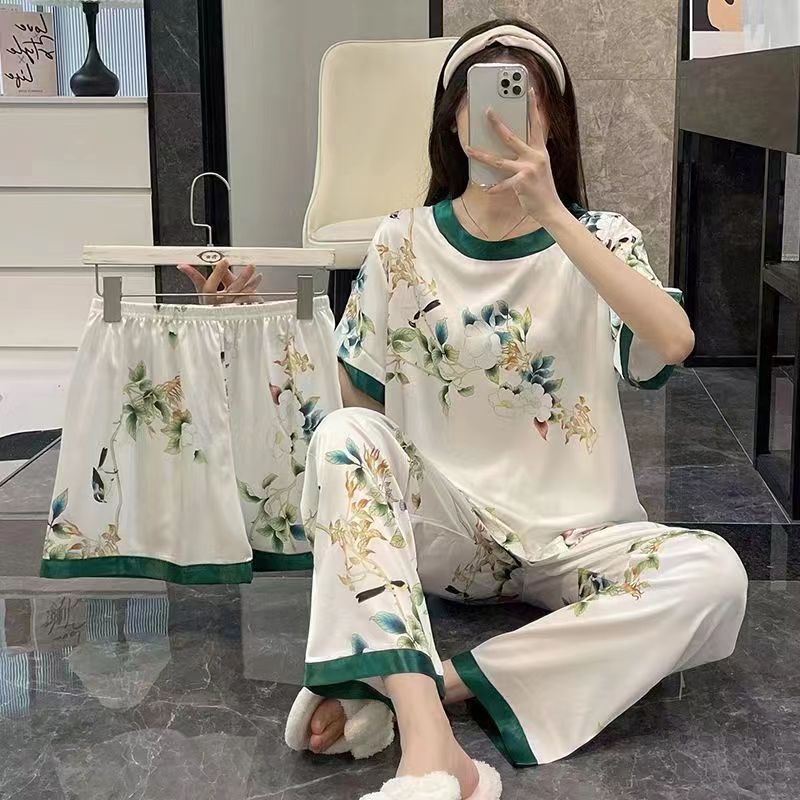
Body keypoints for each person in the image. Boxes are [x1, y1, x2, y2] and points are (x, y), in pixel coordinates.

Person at [184, 18, 748, 800]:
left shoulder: (600, 238)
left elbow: (674, 340)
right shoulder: (401, 241)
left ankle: (430, 682)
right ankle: (430, 750)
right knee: (346, 435)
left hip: (579, 535)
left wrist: (555, 216)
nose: (498, 119)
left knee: (715, 575)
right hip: (447, 534)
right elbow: (353, 410)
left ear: (552, 122)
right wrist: (252, 330)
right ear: (453, 122)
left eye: (521, 99)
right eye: (479, 100)